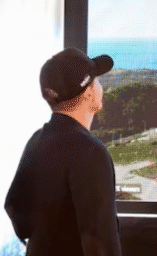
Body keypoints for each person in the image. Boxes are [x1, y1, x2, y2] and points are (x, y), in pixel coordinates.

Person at [5, 48, 122, 256]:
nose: (100, 86)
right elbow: (101, 244)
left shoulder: (37, 141)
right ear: (89, 93)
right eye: (97, 80)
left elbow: (15, 210)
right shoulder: (90, 152)